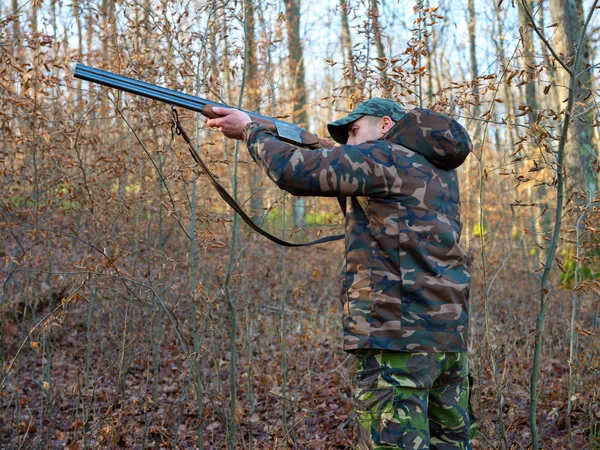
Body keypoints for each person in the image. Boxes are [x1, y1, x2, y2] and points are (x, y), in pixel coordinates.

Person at [206, 98, 473, 450]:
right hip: (447, 340)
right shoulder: (435, 170)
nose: (348, 143)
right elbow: (331, 156)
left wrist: (251, 130)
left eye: (354, 131)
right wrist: (278, 130)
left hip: (397, 340)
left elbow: (296, 171)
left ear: (386, 126)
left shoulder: (384, 157)